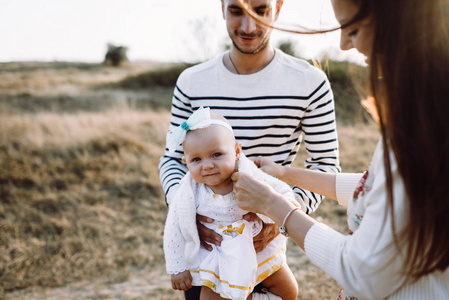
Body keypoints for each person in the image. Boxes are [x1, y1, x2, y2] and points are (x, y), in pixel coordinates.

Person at [231, 0, 449, 299]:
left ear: (403, 28)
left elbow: (362, 272)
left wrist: (276, 206)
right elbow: (375, 187)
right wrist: (284, 173)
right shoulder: (429, 117)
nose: (344, 44)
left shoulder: (422, 135)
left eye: (354, 29)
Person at [159, 1, 341, 297]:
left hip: (266, 251)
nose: (248, 26)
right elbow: (172, 160)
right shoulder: (191, 81)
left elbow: (325, 163)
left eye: (261, 10)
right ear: (221, 6)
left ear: (278, 6)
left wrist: (282, 215)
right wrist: (186, 212)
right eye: (236, 10)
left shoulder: (310, 82)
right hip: (206, 253)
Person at [163, 107, 298, 300]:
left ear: (236, 151)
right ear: (186, 162)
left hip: (257, 247)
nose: (207, 165)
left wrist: (283, 214)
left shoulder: (249, 176)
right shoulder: (188, 192)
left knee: (289, 291)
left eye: (216, 154)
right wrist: (177, 267)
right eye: (196, 159)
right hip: (217, 256)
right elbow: (173, 228)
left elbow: (282, 190)